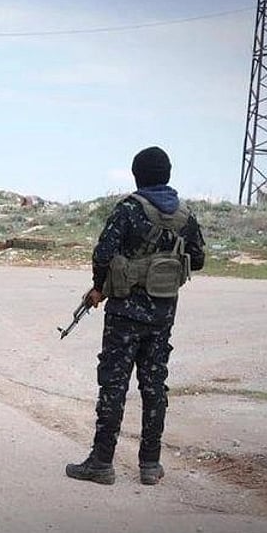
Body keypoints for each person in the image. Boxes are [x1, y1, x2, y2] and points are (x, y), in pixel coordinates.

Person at [66, 146, 205, 485]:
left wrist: (99, 286)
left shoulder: (129, 209)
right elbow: (198, 259)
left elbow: (103, 253)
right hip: (163, 313)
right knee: (154, 386)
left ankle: (101, 463)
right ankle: (150, 464)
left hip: (124, 313)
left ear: (137, 176)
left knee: (113, 384)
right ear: (167, 175)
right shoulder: (185, 215)